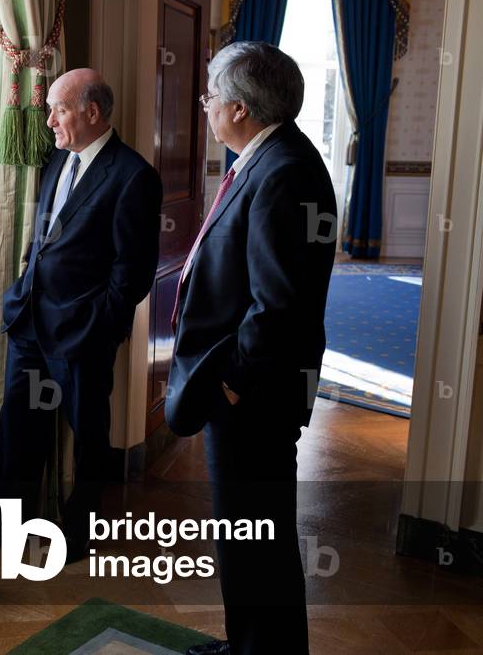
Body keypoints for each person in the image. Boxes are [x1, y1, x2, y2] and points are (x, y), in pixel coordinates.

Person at [166, 41, 337, 655]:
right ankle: (251, 646)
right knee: (247, 537)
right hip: (248, 391)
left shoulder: (285, 171)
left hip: (253, 395)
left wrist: (232, 383)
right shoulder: (269, 159)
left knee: (253, 537)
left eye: (211, 95)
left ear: (238, 108)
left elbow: (279, 305)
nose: (205, 104)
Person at [0, 68, 163, 561]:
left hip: (83, 335)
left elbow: (133, 274)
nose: (49, 118)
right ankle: (3, 526)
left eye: (58, 108)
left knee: (89, 437)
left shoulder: (133, 176)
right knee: (17, 428)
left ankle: (79, 529)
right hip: (30, 325)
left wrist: (98, 327)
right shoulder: (61, 161)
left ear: (91, 113)